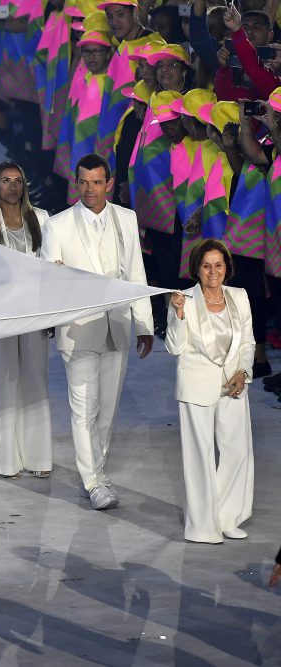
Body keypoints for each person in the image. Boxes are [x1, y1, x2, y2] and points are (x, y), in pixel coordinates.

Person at [41, 153, 155, 510]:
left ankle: (97, 471)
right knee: (83, 408)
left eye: (96, 182)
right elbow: (47, 278)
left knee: (107, 408)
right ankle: (93, 480)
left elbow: (136, 274)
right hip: (77, 329)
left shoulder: (126, 219)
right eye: (83, 182)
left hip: (117, 324)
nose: (89, 189)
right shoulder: (57, 225)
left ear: (108, 184)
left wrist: (145, 324)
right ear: (76, 184)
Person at [0, 162, 52, 478]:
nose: (13, 186)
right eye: (6, 181)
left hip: (34, 314)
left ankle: (38, 459)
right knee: (3, 385)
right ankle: (6, 461)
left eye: (18, 181)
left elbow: (52, 266)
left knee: (36, 384)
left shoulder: (41, 219)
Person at [166, 239, 254, 543]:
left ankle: (227, 517)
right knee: (199, 457)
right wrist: (177, 315)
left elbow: (248, 343)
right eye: (206, 266)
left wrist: (243, 372)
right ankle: (202, 527)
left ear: (227, 267)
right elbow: (174, 347)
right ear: (197, 269)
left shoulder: (240, 297)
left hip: (232, 385)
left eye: (218, 265)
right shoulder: (184, 300)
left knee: (236, 452)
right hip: (196, 386)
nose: (213, 271)